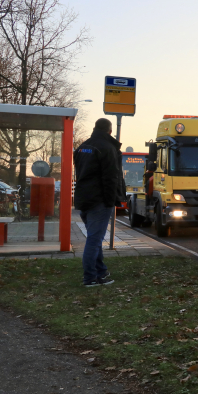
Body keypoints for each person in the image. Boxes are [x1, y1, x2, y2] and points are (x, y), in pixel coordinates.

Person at [74, 118, 125, 287]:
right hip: (100, 200)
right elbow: (110, 178)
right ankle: (90, 278)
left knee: (93, 238)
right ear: (110, 131)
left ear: (95, 128)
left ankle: (100, 271)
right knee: (94, 240)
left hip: (84, 199)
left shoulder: (82, 147)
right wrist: (112, 201)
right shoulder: (107, 148)